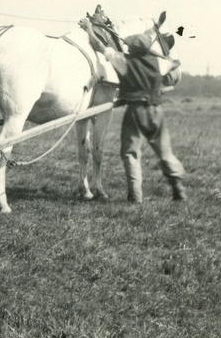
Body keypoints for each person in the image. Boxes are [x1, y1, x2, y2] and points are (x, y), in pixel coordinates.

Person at [79, 17, 187, 204]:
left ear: (131, 49)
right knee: (165, 152)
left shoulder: (123, 61)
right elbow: (174, 64)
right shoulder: (159, 63)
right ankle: (178, 188)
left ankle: (135, 197)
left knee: (130, 153)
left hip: (135, 112)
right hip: (156, 111)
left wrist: (89, 28)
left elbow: (98, 46)